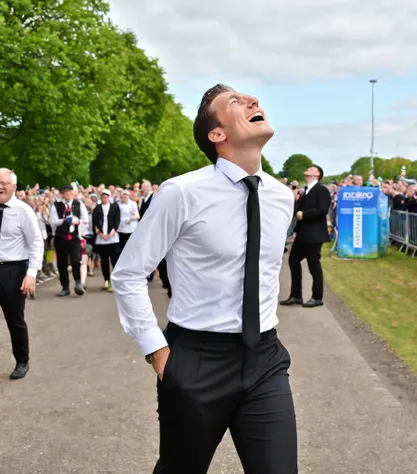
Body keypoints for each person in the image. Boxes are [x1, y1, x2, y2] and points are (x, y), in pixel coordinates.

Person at [112, 84, 298, 474]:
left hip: (264, 357)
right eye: (235, 102)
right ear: (217, 135)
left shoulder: (282, 196)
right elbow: (129, 274)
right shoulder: (181, 193)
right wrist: (159, 354)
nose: (253, 101)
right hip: (196, 358)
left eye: (252, 98)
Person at [0, 168, 44, 379]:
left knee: (14, 319)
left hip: (13, 270)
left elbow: (35, 242)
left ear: (14, 187)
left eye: (4, 182)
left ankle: (22, 361)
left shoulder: (22, 210)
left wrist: (31, 274)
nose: (0, 186)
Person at [281, 165, 331, 307]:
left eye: (311, 169)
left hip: (314, 235)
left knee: (314, 266)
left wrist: (305, 214)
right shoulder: (305, 191)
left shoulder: (321, 190)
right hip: (303, 234)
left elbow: (322, 210)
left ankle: (317, 296)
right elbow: (297, 210)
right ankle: (296, 295)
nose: (308, 169)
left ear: (317, 174)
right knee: (293, 260)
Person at [49, 184, 88, 297]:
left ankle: (78, 282)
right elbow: (52, 221)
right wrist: (65, 220)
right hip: (61, 238)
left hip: (74, 238)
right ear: (62, 194)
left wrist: (78, 221)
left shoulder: (78, 204)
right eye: (65, 192)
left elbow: (85, 220)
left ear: (73, 193)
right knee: (62, 264)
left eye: (69, 192)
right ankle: (65, 287)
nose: (67, 194)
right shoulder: (56, 206)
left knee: (76, 261)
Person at [92, 189, 121, 292]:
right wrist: (100, 233)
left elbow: (117, 220)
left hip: (113, 238)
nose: (104, 198)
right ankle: (106, 280)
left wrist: (113, 231)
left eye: (106, 196)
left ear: (109, 197)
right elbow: (95, 222)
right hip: (102, 238)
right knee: (104, 260)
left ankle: (116, 281)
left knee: (115, 260)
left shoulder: (114, 207)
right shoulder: (97, 209)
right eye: (103, 196)